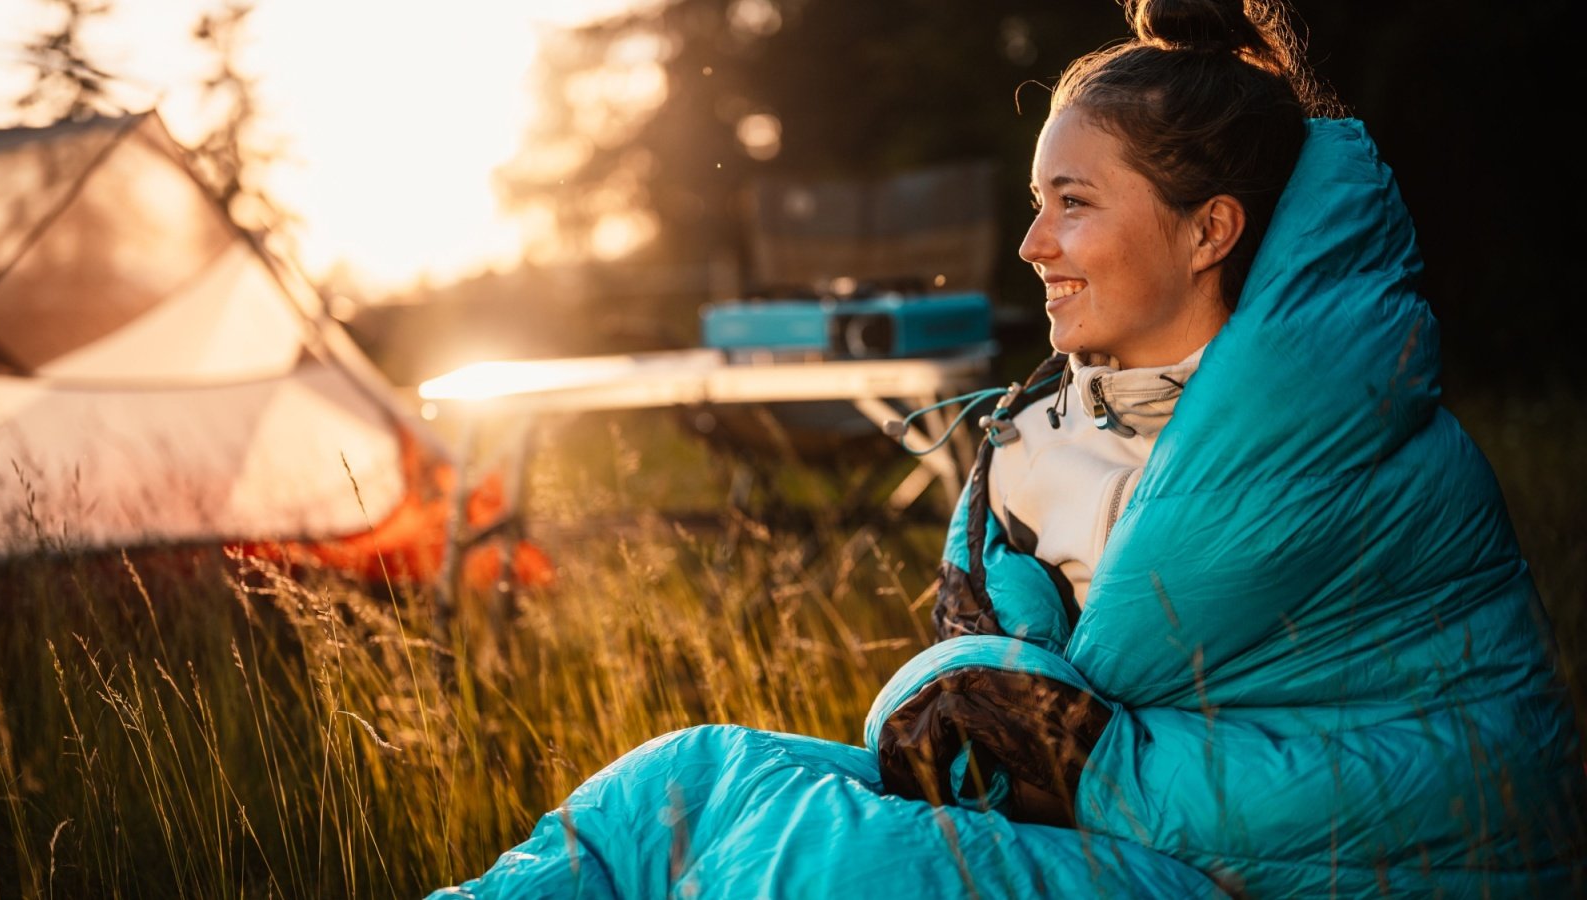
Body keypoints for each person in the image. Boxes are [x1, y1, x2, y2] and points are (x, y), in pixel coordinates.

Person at [430, 1, 1587, 897]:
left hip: (1264, 873)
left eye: (1072, 202)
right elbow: (1005, 702)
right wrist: (999, 712)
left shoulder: (1341, 441)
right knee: (677, 785)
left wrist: (1071, 757)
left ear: (1209, 230)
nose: (1032, 244)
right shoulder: (1035, 443)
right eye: (1037, 202)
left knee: (820, 866)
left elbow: (1446, 789)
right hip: (1120, 841)